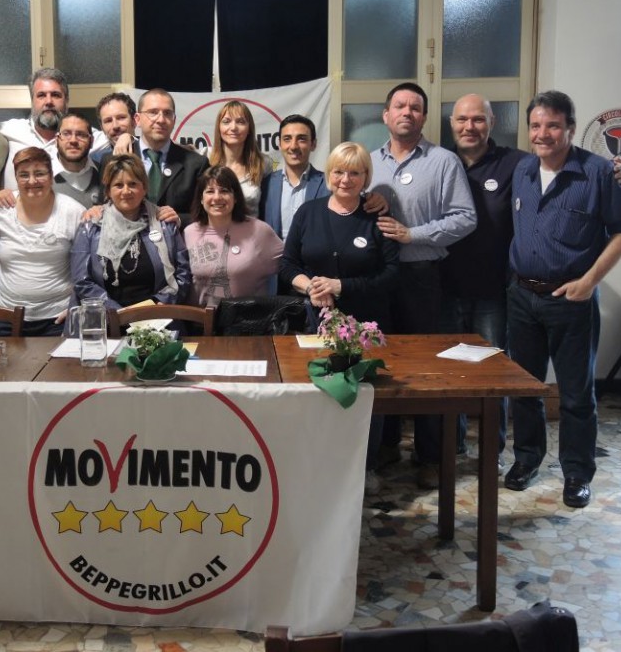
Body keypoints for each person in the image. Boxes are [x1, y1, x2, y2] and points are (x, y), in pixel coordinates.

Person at [504, 90, 621, 509]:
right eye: (536, 125)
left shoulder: (597, 173)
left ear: (571, 129)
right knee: (525, 389)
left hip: (571, 301)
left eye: (553, 125)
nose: (542, 134)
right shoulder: (524, 170)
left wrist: (590, 281)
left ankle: (577, 473)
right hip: (522, 297)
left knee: (576, 395)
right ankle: (527, 459)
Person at [368, 82, 477, 490]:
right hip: (378, 278)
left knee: (427, 368)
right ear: (386, 114)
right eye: (399, 106)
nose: (407, 113)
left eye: (415, 107)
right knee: (381, 363)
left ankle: (430, 455)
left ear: (424, 117)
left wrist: (412, 234)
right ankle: (385, 446)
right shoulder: (369, 162)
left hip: (422, 275)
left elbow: (465, 217)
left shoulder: (444, 161)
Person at [280, 142, 399, 492]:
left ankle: (366, 465)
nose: (345, 179)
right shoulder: (308, 212)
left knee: (366, 394)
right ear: (329, 174)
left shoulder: (378, 219)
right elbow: (287, 265)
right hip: (316, 321)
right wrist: (311, 288)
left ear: (366, 177)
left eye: (355, 173)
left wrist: (341, 286)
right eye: (338, 172)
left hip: (367, 324)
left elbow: (392, 274)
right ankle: (319, 465)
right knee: (318, 393)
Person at [440, 95, 529, 464]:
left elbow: (559, 167)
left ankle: (493, 449)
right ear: (451, 123)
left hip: (494, 291)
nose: (469, 127)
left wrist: (609, 172)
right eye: (462, 119)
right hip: (444, 288)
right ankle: (453, 446)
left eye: (478, 119)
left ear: (492, 122)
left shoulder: (516, 163)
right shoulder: (440, 162)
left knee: (492, 373)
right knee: (450, 372)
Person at [71, 154, 191, 310]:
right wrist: (118, 313)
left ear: (144, 188)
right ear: (108, 191)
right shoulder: (90, 227)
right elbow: (82, 281)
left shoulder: (164, 223)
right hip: (106, 316)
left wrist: (160, 304)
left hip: (157, 315)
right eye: (118, 185)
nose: (126, 191)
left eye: (133, 184)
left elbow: (183, 273)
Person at [0, 147, 85, 337]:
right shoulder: (0, 209)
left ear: (51, 177)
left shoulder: (73, 212)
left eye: (40, 173)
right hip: (6, 315)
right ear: (16, 179)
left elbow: (87, 267)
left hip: (58, 318)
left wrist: (77, 304)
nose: (32, 181)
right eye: (24, 175)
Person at [101, 88, 208, 226]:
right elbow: (104, 207)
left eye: (167, 113)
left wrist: (180, 219)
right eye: (153, 112)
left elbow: (206, 213)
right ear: (137, 119)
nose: (161, 119)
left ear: (174, 120)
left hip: (177, 238)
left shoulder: (196, 164)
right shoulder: (113, 159)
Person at [184, 166, 283, 307]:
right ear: (201, 198)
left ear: (235, 197)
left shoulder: (259, 231)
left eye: (224, 191)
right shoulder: (189, 233)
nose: (217, 197)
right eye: (210, 191)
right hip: (199, 318)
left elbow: (290, 266)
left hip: (247, 318)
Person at [0, 68, 109, 173]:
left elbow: (116, 138)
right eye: (41, 95)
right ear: (32, 100)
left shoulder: (85, 136)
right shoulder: (8, 130)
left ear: (67, 101)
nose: (49, 101)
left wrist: (121, 140)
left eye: (55, 95)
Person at [259, 114, 329, 239]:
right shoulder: (265, 184)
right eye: (287, 139)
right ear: (279, 144)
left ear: (313, 144)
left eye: (301, 139)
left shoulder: (328, 185)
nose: (293, 146)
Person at [207, 100, 270, 217]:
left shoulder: (263, 163)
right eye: (226, 122)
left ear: (249, 128)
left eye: (240, 122)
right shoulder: (205, 157)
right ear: (219, 127)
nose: (233, 127)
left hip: (251, 228)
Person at [93, 92, 137, 166]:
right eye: (108, 121)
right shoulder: (100, 161)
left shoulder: (151, 153)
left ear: (134, 120)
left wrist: (130, 138)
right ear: (102, 127)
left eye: (121, 118)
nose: (115, 126)